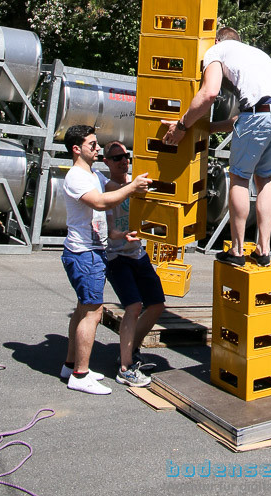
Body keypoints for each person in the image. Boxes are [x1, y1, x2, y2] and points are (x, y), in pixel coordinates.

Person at [161, 27, 271, 267]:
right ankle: (264, 250)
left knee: (239, 178)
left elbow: (209, 93)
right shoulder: (256, 54)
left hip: (260, 112)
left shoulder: (216, 51)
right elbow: (247, 118)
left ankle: (237, 250)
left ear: (217, 40)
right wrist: (208, 128)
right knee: (264, 177)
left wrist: (182, 127)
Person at [60, 124, 149, 395]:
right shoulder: (76, 176)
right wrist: (132, 186)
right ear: (77, 149)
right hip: (84, 253)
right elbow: (100, 203)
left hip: (92, 250)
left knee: (81, 309)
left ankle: (70, 364)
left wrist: (123, 232)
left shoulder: (93, 174)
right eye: (92, 144)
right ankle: (80, 374)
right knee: (92, 312)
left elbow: (112, 192)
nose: (97, 148)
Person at [102, 140, 166, 388]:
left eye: (125, 155)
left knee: (157, 304)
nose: (122, 160)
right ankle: (125, 368)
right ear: (106, 161)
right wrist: (122, 235)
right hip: (117, 255)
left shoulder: (137, 180)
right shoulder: (107, 188)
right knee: (133, 306)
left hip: (137, 253)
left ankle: (131, 350)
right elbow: (108, 230)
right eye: (116, 157)